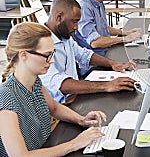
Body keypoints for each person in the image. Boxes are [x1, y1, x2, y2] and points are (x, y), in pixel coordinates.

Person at [0, 22, 105, 156]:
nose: (52, 61)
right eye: (47, 55)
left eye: (52, 54)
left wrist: (81, 120)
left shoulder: (35, 81)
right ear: (23, 55)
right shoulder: (6, 97)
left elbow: (54, 107)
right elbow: (21, 155)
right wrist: (75, 144)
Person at [39, 0, 137, 103]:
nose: (76, 27)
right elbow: (60, 84)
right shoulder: (40, 44)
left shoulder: (64, 36)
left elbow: (84, 55)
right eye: (74, 22)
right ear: (59, 17)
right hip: (58, 107)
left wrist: (112, 63)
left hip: (74, 97)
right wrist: (107, 86)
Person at [74, 0, 142, 57]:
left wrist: (125, 32)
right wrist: (124, 39)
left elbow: (103, 28)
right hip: (96, 60)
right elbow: (95, 42)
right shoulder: (84, 7)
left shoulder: (99, 1)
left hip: (105, 52)